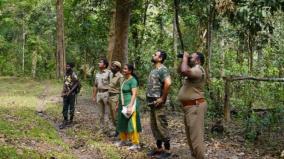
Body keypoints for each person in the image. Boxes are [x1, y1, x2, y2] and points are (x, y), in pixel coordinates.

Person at [177, 52, 207, 159]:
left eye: (192, 57)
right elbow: (180, 70)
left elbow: (184, 70)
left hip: (195, 107)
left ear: (198, 60)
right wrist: (183, 59)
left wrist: (185, 58)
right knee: (190, 138)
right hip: (189, 108)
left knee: (196, 139)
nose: (189, 58)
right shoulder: (192, 69)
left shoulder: (198, 70)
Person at [146, 50, 172, 159]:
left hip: (158, 102)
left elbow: (168, 83)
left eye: (155, 54)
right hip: (152, 102)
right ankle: (159, 148)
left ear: (160, 58)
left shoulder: (163, 69)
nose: (153, 55)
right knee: (154, 126)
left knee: (161, 125)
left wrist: (162, 98)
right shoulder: (153, 70)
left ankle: (167, 150)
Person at [115, 64, 142, 151]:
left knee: (132, 123)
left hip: (130, 104)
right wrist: (117, 104)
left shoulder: (133, 81)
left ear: (130, 71)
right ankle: (123, 140)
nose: (124, 70)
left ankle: (136, 143)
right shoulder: (124, 80)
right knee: (122, 122)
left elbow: (134, 94)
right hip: (122, 104)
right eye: (124, 68)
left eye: (126, 69)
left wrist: (130, 106)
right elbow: (122, 93)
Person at [93, 58, 111, 130]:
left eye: (100, 62)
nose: (98, 63)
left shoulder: (109, 73)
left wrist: (111, 95)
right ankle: (102, 128)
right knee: (100, 113)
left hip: (106, 93)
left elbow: (112, 84)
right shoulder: (97, 74)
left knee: (108, 112)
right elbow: (95, 85)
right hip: (99, 94)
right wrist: (94, 96)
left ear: (104, 65)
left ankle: (109, 128)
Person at [60, 62, 79, 129]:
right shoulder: (66, 74)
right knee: (65, 107)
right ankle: (65, 120)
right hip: (65, 93)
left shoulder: (74, 74)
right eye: (66, 66)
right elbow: (65, 83)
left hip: (72, 94)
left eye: (68, 66)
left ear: (71, 67)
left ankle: (71, 120)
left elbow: (77, 83)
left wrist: (70, 92)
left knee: (71, 107)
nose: (67, 67)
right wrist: (62, 91)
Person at [108, 61, 124, 137]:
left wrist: (119, 101)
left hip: (116, 97)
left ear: (117, 68)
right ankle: (116, 131)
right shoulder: (111, 75)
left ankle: (120, 132)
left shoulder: (120, 77)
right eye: (112, 66)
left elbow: (121, 90)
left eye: (113, 66)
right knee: (111, 115)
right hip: (110, 96)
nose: (111, 67)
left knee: (116, 116)